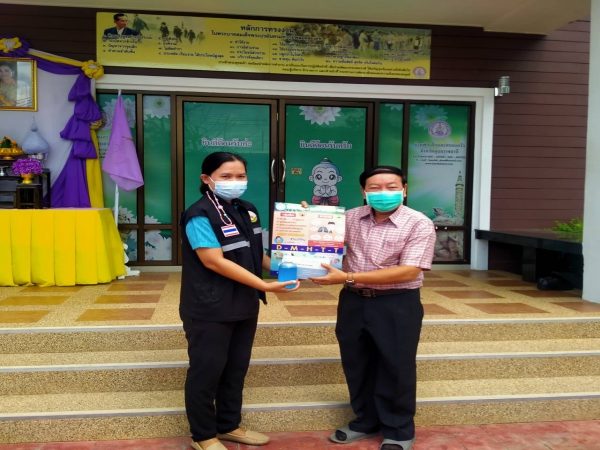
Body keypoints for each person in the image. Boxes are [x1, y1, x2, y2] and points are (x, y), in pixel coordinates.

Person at [307, 165, 436, 450]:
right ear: (364, 191)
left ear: (404, 190)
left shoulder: (418, 223)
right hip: (353, 301)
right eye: (375, 188)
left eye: (392, 187)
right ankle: (365, 421)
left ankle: (399, 430)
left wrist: (348, 277)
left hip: (397, 302)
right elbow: (320, 237)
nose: (383, 193)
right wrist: (306, 219)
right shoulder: (350, 217)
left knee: (396, 366)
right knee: (357, 362)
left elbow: (409, 271)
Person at [180, 152, 299, 450]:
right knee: (207, 372)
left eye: (240, 176)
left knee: (235, 369)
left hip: (244, 303)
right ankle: (203, 436)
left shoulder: (248, 209)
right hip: (209, 307)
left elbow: (256, 253)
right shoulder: (199, 214)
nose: (235, 181)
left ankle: (229, 426)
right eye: (226, 176)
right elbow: (213, 261)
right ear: (207, 179)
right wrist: (264, 285)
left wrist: (292, 266)